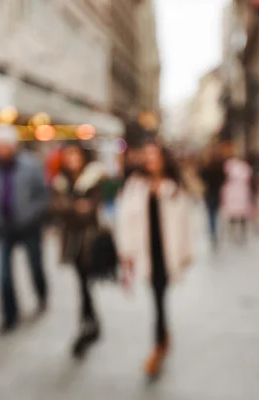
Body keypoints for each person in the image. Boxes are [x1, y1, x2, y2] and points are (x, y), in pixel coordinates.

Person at [117, 141, 194, 377]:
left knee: (159, 298)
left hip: (167, 252)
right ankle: (161, 340)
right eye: (146, 155)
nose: (149, 160)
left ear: (164, 159)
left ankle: (158, 346)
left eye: (154, 155)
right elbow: (124, 221)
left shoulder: (174, 188)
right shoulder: (134, 186)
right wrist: (126, 253)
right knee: (158, 298)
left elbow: (186, 225)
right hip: (146, 252)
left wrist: (185, 254)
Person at [0, 124, 50, 333]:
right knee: (4, 275)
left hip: (29, 227)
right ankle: (9, 316)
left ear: (10, 145)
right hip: (4, 227)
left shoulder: (31, 165)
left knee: (35, 267)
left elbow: (43, 196)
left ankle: (41, 293)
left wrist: (30, 215)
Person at [51, 144, 108, 358]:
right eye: (68, 155)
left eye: (75, 154)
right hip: (71, 240)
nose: (71, 159)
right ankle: (89, 320)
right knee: (82, 281)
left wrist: (73, 207)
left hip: (89, 240)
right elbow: (57, 207)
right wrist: (75, 207)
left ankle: (88, 321)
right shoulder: (62, 181)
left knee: (85, 281)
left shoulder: (92, 178)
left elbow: (90, 209)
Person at [220, 154, 253, 244]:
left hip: (236, 194)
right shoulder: (241, 167)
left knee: (237, 214)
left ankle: (235, 233)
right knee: (239, 214)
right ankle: (239, 234)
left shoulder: (231, 167)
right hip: (236, 194)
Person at [199, 143, 227, 247]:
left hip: (209, 192)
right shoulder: (220, 166)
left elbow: (202, 177)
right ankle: (215, 231)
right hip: (217, 192)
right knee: (216, 213)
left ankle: (213, 231)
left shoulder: (207, 167)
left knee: (211, 214)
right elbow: (224, 179)